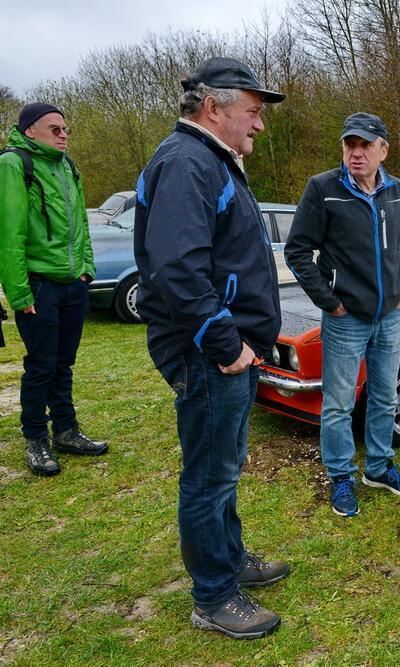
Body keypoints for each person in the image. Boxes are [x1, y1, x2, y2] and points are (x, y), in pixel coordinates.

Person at [133, 57, 289, 640]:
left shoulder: (209, 160)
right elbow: (177, 269)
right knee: (208, 477)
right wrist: (226, 345)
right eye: (252, 111)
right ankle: (214, 596)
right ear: (212, 107)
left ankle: (229, 558)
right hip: (208, 354)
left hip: (227, 351)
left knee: (224, 468)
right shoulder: (187, 163)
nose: (260, 124)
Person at [284, 112, 400, 518]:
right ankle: (341, 477)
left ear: (383, 150)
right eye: (350, 144)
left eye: (365, 145)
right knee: (339, 403)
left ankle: (379, 467)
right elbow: (297, 251)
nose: (356, 152)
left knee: (384, 396)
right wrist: (330, 301)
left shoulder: (398, 191)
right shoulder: (323, 189)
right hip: (345, 319)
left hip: (389, 317)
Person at [0, 103, 107, 476]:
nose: (63, 135)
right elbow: (9, 233)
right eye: (55, 129)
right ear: (30, 130)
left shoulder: (67, 166)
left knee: (63, 363)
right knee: (41, 366)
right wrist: (19, 292)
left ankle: (66, 430)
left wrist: (86, 269)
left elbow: (81, 224)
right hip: (39, 284)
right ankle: (35, 439)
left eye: (66, 129)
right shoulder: (14, 164)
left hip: (72, 284)